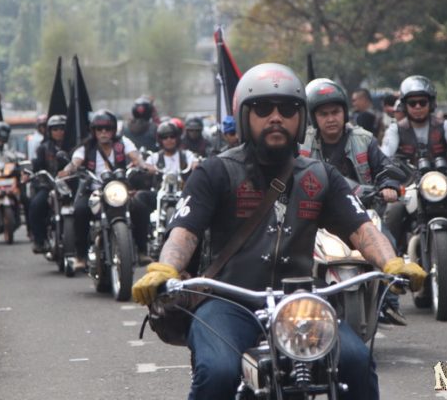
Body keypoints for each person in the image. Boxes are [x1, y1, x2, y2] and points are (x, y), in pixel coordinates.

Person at [131, 63, 426, 400]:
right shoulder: (215, 172)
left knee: (356, 361)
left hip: (301, 303)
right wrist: (166, 268)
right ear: (244, 116)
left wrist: (392, 263)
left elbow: (361, 229)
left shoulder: (320, 176)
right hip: (227, 303)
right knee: (217, 372)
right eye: (262, 109)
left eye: (287, 109)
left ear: (300, 118)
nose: (276, 117)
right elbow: (186, 231)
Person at [300, 78, 407, 325]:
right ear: (313, 117)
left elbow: (385, 168)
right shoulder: (302, 143)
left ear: (344, 113)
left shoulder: (364, 139)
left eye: (335, 112)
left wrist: (389, 186)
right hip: (315, 216)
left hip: (362, 213)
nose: (330, 118)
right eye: (323, 114)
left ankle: (389, 302)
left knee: (388, 242)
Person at [381, 75, 447, 278]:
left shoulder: (444, 125)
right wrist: (380, 165)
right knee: (393, 211)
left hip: (440, 182)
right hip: (409, 184)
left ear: (430, 103)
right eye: (413, 103)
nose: (418, 107)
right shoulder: (396, 129)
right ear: (405, 105)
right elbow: (385, 153)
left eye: (422, 102)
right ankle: (391, 260)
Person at [58, 110, 148, 271]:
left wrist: (143, 165)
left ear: (114, 130)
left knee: (140, 207)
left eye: (108, 128)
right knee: (80, 210)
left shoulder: (123, 143)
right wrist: (68, 170)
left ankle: (142, 251)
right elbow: (75, 162)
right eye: (99, 129)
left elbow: (136, 157)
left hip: (119, 190)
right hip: (95, 191)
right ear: (94, 131)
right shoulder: (86, 147)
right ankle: (81, 256)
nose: (104, 132)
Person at [130, 121, 198, 265]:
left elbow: (196, 160)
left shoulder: (187, 155)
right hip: (160, 194)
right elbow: (144, 165)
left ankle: (197, 248)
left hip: (182, 194)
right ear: (160, 139)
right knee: (139, 198)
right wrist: (146, 168)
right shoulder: (154, 157)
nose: (169, 140)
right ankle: (142, 248)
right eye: (165, 137)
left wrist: (195, 164)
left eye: (172, 136)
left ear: (177, 138)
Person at [29, 115, 67, 254]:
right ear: (49, 131)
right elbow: (36, 166)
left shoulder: (73, 146)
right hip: (49, 185)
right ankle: (40, 241)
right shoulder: (43, 148)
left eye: (62, 128)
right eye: (55, 129)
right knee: (35, 206)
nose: (59, 132)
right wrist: (30, 173)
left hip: (69, 186)